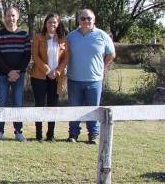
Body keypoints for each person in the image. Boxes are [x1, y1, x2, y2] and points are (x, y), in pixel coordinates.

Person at [66, 9, 116, 144]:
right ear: (78, 20)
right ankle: (73, 134)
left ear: (94, 20)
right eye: (83, 18)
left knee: (93, 109)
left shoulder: (102, 35)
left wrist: (102, 67)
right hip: (74, 79)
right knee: (74, 109)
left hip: (94, 80)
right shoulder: (71, 37)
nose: (86, 21)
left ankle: (93, 135)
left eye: (89, 18)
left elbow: (111, 54)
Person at [0, 6, 31, 142]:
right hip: (3, 75)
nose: (10, 18)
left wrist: (17, 72)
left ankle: (18, 131)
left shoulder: (24, 35)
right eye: (8, 16)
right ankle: (0, 131)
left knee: (17, 103)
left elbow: (27, 56)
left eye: (13, 16)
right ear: (4, 17)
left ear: (17, 17)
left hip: (19, 75)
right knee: (1, 102)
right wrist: (9, 72)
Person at [31, 13, 70, 142]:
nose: (51, 25)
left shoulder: (63, 39)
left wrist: (57, 72)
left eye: (54, 22)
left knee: (53, 105)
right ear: (45, 24)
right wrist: (47, 70)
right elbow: (35, 57)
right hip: (40, 76)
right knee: (40, 104)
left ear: (58, 24)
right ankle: (39, 134)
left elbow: (66, 58)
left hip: (56, 77)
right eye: (49, 22)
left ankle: (50, 134)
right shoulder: (38, 37)